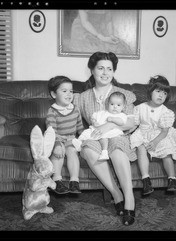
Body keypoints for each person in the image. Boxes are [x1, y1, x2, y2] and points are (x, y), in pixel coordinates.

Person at [73, 52, 136, 226]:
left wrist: (109, 126)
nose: (105, 72)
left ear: (114, 72)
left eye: (109, 69)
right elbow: (77, 123)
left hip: (120, 134)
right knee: (87, 148)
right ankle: (117, 194)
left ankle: (129, 200)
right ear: (92, 70)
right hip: (95, 135)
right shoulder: (82, 97)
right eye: (100, 68)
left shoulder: (124, 94)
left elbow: (131, 122)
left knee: (116, 148)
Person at [130, 75, 176, 195]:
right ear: (150, 92)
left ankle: (172, 179)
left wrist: (155, 142)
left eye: (164, 93)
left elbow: (165, 131)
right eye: (158, 91)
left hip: (160, 133)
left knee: (167, 150)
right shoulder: (140, 108)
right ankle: (146, 180)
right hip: (143, 132)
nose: (161, 95)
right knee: (140, 148)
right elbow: (134, 124)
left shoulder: (166, 111)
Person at [46, 76, 84, 195]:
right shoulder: (52, 111)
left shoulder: (75, 109)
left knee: (72, 151)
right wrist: (57, 144)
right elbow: (51, 132)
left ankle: (74, 182)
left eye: (71, 91)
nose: (69, 94)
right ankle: (57, 180)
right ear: (53, 94)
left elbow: (80, 128)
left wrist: (85, 139)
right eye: (64, 91)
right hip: (56, 138)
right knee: (58, 153)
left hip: (71, 139)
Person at [73, 91, 128, 161]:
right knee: (85, 132)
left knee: (103, 138)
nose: (115, 107)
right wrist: (94, 122)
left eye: (118, 105)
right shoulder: (103, 112)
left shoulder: (121, 115)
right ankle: (79, 142)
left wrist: (113, 119)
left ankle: (104, 152)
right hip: (96, 129)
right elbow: (93, 117)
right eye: (112, 104)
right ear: (108, 104)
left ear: (123, 106)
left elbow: (121, 122)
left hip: (109, 132)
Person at [67, 10, 132, 54]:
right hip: (83, 29)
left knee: (119, 47)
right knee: (93, 50)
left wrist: (111, 34)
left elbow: (108, 21)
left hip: (98, 28)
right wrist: (101, 37)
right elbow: (85, 22)